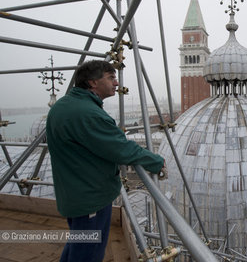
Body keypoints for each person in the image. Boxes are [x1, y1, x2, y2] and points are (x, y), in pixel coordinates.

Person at [46, 60, 167, 262]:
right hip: (90, 197)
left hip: (73, 193)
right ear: (93, 82)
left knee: (77, 244)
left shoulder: (63, 106)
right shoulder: (88, 113)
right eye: (111, 78)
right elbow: (121, 148)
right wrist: (155, 161)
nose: (117, 83)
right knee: (88, 254)